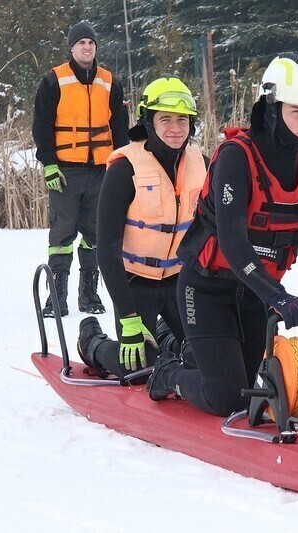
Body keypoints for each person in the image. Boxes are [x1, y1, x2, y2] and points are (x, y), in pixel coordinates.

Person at [145, 54, 298, 417]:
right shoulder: (235, 157)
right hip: (207, 289)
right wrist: (276, 295)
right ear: (273, 110)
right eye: (297, 112)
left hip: (255, 298)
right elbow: (231, 238)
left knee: (246, 389)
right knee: (228, 399)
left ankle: (194, 351)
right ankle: (168, 373)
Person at [76, 77, 208, 379]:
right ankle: (91, 341)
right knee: (137, 366)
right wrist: (127, 316)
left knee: (206, 359)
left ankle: (164, 335)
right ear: (148, 121)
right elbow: (107, 249)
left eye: (182, 120)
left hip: (181, 282)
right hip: (134, 283)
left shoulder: (203, 164)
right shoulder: (125, 169)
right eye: (165, 119)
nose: (175, 128)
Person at [33, 21, 128, 317]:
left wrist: (124, 164)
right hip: (65, 172)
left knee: (96, 234)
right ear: (71, 48)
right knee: (61, 235)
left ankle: (89, 295)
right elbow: (42, 125)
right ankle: (56, 297)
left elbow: (120, 128)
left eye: (91, 43)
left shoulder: (110, 81)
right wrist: (48, 164)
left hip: (102, 170)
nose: (87, 47)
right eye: (81, 43)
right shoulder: (53, 80)